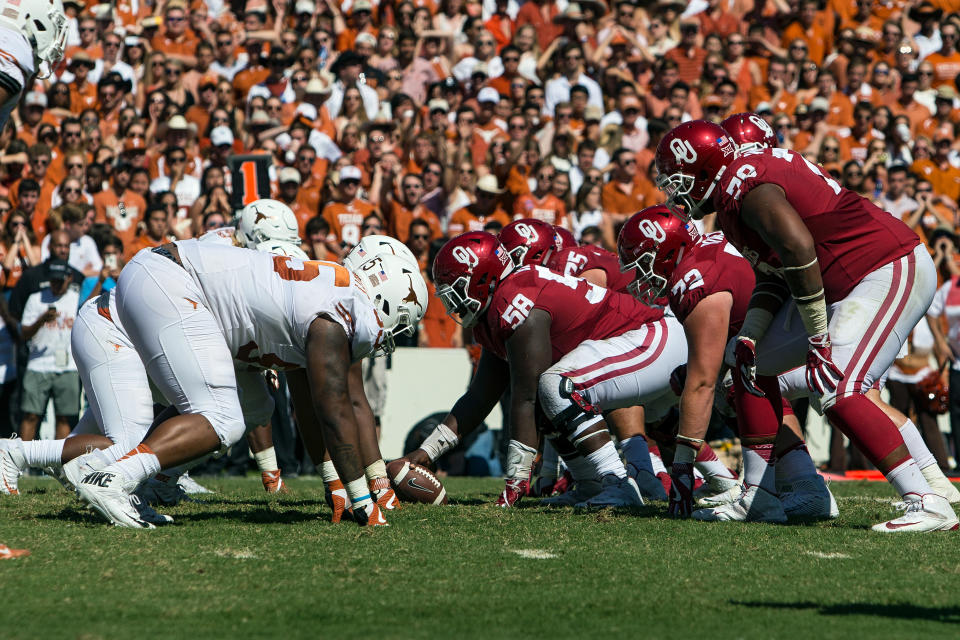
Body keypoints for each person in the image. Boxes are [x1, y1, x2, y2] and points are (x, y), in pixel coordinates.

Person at [655, 119, 957, 533]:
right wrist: (752, 333)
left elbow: (799, 247)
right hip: (844, 283)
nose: (676, 191)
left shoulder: (745, 186)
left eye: (678, 179)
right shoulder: (733, 196)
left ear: (702, 168)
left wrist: (817, 336)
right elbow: (775, 274)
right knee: (745, 364)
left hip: (883, 266)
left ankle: (927, 500)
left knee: (839, 386)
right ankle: (759, 496)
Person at [62, 240, 425, 528]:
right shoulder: (341, 310)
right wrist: (361, 500)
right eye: (401, 321)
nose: (392, 335)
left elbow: (307, 402)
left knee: (246, 408)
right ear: (386, 296)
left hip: (159, 274)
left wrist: (334, 483)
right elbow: (333, 407)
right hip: (170, 281)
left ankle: (137, 484)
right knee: (222, 418)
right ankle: (114, 478)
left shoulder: (330, 289)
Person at [408, 231, 687, 507]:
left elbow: (525, 398)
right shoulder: (494, 312)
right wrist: (427, 451)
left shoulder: (516, 302)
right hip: (636, 345)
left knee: (556, 385)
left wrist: (515, 482)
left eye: (456, 290)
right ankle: (591, 485)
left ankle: (618, 482)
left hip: (653, 337)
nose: (453, 303)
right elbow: (480, 397)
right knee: (548, 395)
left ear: (482, 278)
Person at [16, 259, 80, 446]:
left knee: (64, 417)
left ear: (70, 278)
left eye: (60, 281)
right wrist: (41, 319)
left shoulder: (76, 298)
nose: (56, 285)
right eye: (53, 281)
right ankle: (23, 464)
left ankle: (56, 465)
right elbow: (23, 334)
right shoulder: (36, 298)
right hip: (38, 363)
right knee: (30, 415)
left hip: (68, 365)